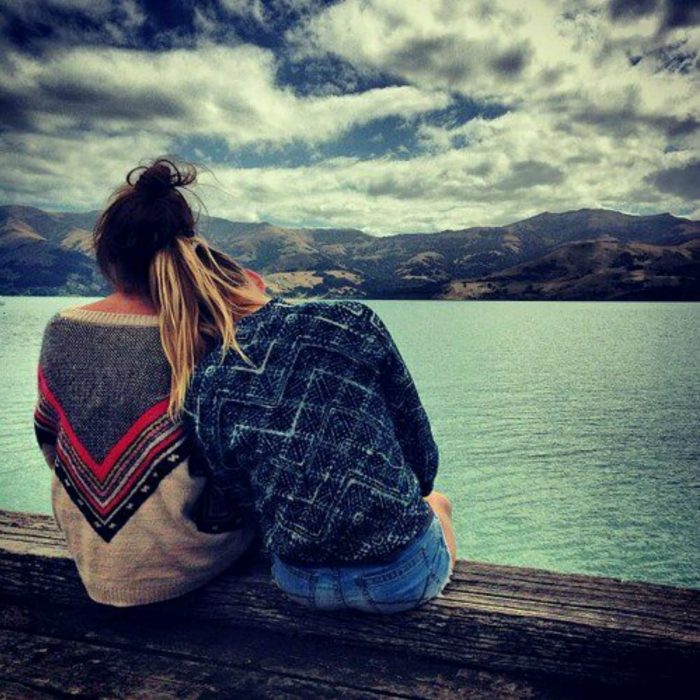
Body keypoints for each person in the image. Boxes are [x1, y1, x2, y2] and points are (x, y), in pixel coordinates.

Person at [34, 157, 456, 613]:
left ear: (108, 257)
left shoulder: (66, 330)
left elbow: (50, 444)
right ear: (191, 254)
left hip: (101, 565)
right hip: (190, 563)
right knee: (437, 503)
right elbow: (418, 456)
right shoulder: (200, 338)